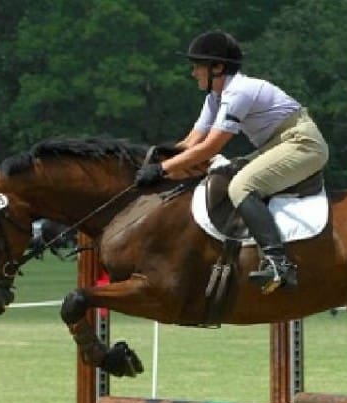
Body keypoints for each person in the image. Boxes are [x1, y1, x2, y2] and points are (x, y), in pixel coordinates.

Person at [134, 30, 329, 294]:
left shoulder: (238, 92)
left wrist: (162, 169)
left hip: (303, 144)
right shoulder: (215, 97)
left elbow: (211, 147)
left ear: (217, 67)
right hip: (279, 144)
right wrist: (157, 163)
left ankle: (278, 262)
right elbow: (192, 142)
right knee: (223, 174)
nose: (193, 73)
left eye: (197, 67)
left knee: (241, 187)